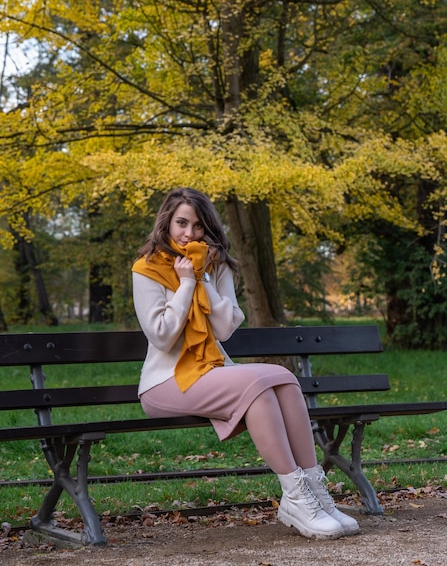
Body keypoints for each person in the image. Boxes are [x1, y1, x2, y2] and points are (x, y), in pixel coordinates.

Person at [132, 187, 359, 540]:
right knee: (258, 385)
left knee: (282, 378)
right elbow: (161, 336)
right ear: (167, 222)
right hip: (165, 382)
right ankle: (296, 497)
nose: (188, 234)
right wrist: (185, 284)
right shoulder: (146, 268)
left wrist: (203, 278)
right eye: (181, 223)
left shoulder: (217, 265)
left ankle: (314, 493)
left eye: (197, 226)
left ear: (208, 229)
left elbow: (224, 329)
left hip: (211, 371)